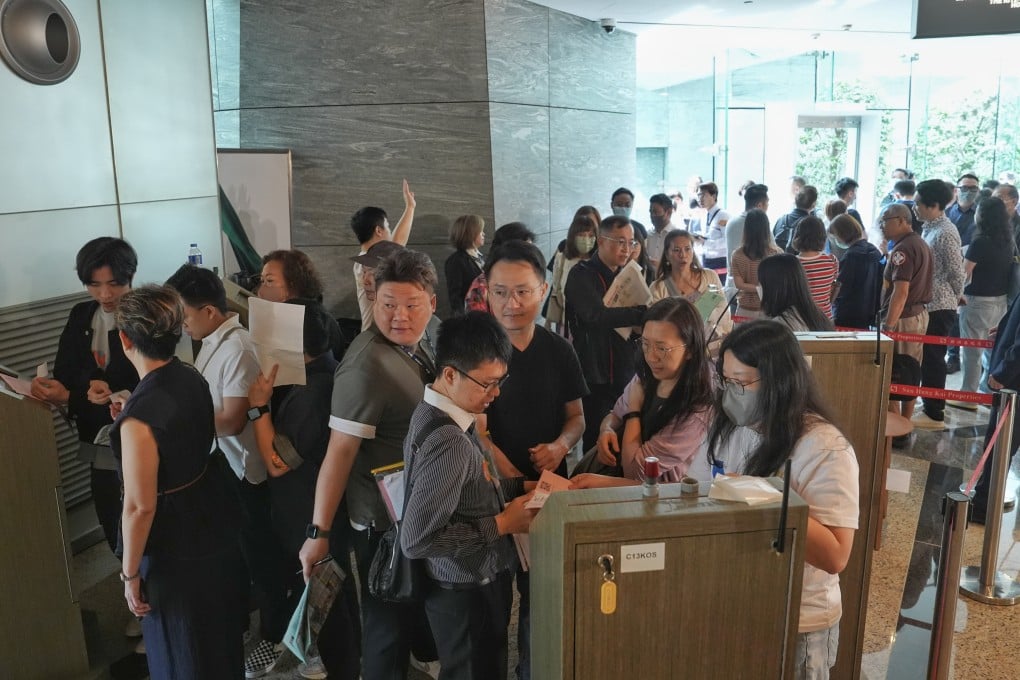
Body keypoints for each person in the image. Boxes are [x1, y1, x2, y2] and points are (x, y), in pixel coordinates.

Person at [300, 249, 440, 680]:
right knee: (385, 627)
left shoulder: (419, 341)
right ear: (372, 301)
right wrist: (318, 534)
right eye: (388, 305)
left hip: (415, 510)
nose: (400, 316)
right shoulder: (366, 367)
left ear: (432, 303)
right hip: (383, 523)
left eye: (411, 305)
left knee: (409, 611)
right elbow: (339, 453)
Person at [707, 320, 859, 680]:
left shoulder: (824, 447)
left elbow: (836, 554)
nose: (732, 392)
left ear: (779, 381)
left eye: (741, 383)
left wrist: (761, 494)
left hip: (800, 618)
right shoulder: (738, 429)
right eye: (726, 381)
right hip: (744, 600)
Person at [110, 285, 246, 680]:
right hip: (209, 515)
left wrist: (130, 573)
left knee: (180, 645)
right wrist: (130, 417)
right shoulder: (189, 375)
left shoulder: (140, 418)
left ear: (125, 339)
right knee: (217, 635)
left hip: (172, 540)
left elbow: (139, 506)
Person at [165, 265, 292, 678]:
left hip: (246, 472)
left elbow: (235, 419)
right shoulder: (210, 341)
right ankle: (243, 624)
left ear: (209, 310)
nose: (181, 324)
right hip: (225, 466)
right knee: (239, 554)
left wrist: (184, 419)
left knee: (262, 558)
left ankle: (275, 636)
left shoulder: (237, 348)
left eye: (184, 314)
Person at [401, 312, 536, 680]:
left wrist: (523, 487)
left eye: (500, 381)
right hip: (465, 589)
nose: (496, 393)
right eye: (487, 384)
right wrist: (503, 523)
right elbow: (417, 539)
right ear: (449, 374)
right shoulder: (450, 442)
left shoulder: (435, 410)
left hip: (462, 586)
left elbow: (471, 492)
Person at [476, 241, 587, 680]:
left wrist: (561, 446)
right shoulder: (476, 351)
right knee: (490, 605)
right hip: (489, 497)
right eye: (500, 292)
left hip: (547, 494)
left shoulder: (559, 350)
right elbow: (476, 430)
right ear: (486, 292)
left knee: (541, 599)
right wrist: (513, 478)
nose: (512, 303)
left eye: (522, 291)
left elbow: (577, 417)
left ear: (543, 289)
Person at [30, 237, 143, 646]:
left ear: (129, 278)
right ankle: (136, 596)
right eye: (95, 285)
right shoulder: (82, 314)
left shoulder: (145, 314)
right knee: (112, 518)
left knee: (143, 521)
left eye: (114, 284)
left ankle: (150, 605)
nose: (106, 294)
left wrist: (84, 392)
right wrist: (71, 389)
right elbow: (66, 367)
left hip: (136, 438)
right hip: (97, 442)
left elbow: (146, 378)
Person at [246, 299, 360, 679]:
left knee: (326, 601)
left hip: (311, 513)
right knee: (336, 594)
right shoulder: (325, 370)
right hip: (321, 511)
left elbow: (277, 464)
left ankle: (341, 666)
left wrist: (257, 408)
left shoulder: (313, 393)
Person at [570, 297, 715, 489]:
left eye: (662, 348)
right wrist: (606, 430)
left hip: (656, 501)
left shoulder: (696, 409)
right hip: (622, 486)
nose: (651, 357)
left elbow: (637, 471)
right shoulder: (646, 378)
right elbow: (614, 415)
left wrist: (633, 413)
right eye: (646, 344)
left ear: (690, 350)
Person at [565, 215, 648, 451]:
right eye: (620, 242)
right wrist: (639, 313)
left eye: (631, 243)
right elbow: (595, 315)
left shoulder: (627, 275)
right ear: (601, 241)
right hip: (595, 369)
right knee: (596, 437)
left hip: (626, 366)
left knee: (627, 433)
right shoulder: (581, 274)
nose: (626, 249)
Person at [913, 179, 965, 431]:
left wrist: (957, 295)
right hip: (929, 303)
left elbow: (957, 270)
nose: (915, 208)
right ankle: (929, 403)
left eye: (918, 203)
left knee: (934, 359)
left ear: (933, 205)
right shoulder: (930, 227)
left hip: (940, 304)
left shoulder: (945, 231)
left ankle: (935, 412)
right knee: (928, 358)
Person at [952, 197, 1013, 406]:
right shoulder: (1008, 240)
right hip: (1001, 301)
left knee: (971, 351)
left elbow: (964, 273)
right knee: (990, 350)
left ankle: (968, 396)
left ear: (982, 216)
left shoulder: (980, 241)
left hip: (977, 302)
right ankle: (986, 392)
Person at [879, 202, 933, 424]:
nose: (881, 226)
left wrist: (889, 326)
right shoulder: (919, 243)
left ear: (901, 220)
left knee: (896, 372)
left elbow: (900, 292)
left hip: (903, 318)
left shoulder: (903, 249)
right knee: (911, 370)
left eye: (885, 221)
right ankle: (905, 421)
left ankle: (896, 424)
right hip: (916, 315)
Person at [649, 229, 731, 355]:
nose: (683, 255)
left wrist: (696, 315)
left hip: (712, 347)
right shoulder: (658, 287)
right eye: (676, 250)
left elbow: (723, 311)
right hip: (678, 352)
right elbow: (658, 324)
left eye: (687, 249)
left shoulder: (709, 277)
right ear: (667, 254)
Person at [258, 249, 348, 361]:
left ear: (293, 284)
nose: (261, 291)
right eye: (262, 281)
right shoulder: (315, 312)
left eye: (270, 281)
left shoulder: (305, 322)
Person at [350, 180, 417, 331]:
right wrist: (410, 207)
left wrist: (410, 208)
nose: (390, 232)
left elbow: (396, 245)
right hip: (376, 340)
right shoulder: (368, 261)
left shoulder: (365, 258)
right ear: (379, 231)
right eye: (388, 227)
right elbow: (398, 243)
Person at [465, 222, 537, 313]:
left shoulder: (527, 279)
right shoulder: (482, 287)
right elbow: (476, 325)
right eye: (525, 249)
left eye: (531, 249)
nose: (531, 255)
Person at [828, 214, 883, 329]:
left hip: (848, 314)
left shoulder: (850, 256)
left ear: (843, 234)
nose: (836, 240)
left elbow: (841, 288)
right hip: (869, 312)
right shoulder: (874, 251)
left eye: (836, 236)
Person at [758, 254, 835, 332]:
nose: (758, 287)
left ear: (773, 287)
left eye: (760, 283)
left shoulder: (780, 325)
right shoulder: (815, 314)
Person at [547, 214, 597, 334]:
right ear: (572, 236)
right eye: (581, 235)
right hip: (566, 323)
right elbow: (555, 289)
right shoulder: (563, 258)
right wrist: (548, 321)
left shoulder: (598, 261)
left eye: (591, 235)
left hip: (591, 325)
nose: (586, 239)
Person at [729, 208, 781, 320]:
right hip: (769, 310)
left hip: (744, 310)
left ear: (746, 229)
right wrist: (764, 289)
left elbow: (739, 284)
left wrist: (757, 288)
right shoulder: (777, 254)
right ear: (767, 229)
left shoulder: (737, 255)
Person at [793, 216, 839, 319]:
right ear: (823, 237)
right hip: (825, 317)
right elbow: (832, 287)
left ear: (797, 235)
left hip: (801, 319)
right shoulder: (832, 260)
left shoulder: (793, 264)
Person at [724, 183, 770, 288]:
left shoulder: (731, 222)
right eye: (767, 203)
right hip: (755, 287)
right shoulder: (761, 225)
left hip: (732, 284)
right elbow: (771, 252)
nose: (768, 207)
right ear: (759, 205)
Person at [444, 214, 486, 316]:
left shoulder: (484, 257)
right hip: (470, 318)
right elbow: (455, 297)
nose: (484, 234)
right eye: (480, 231)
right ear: (471, 233)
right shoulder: (456, 261)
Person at [689, 182, 730, 278]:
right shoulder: (704, 216)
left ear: (714, 196)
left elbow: (728, 241)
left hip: (720, 263)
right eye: (699, 195)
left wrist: (705, 243)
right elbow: (708, 235)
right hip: (706, 261)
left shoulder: (723, 215)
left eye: (704, 195)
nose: (700, 199)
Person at [774, 185, 815, 253]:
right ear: (813, 204)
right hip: (797, 262)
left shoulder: (781, 219)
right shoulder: (812, 224)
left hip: (776, 261)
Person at [646, 193, 679, 276]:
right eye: (650, 212)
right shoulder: (648, 235)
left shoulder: (677, 236)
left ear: (668, 212)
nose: (652, 216)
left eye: (655, 212)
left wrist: (662, 267)